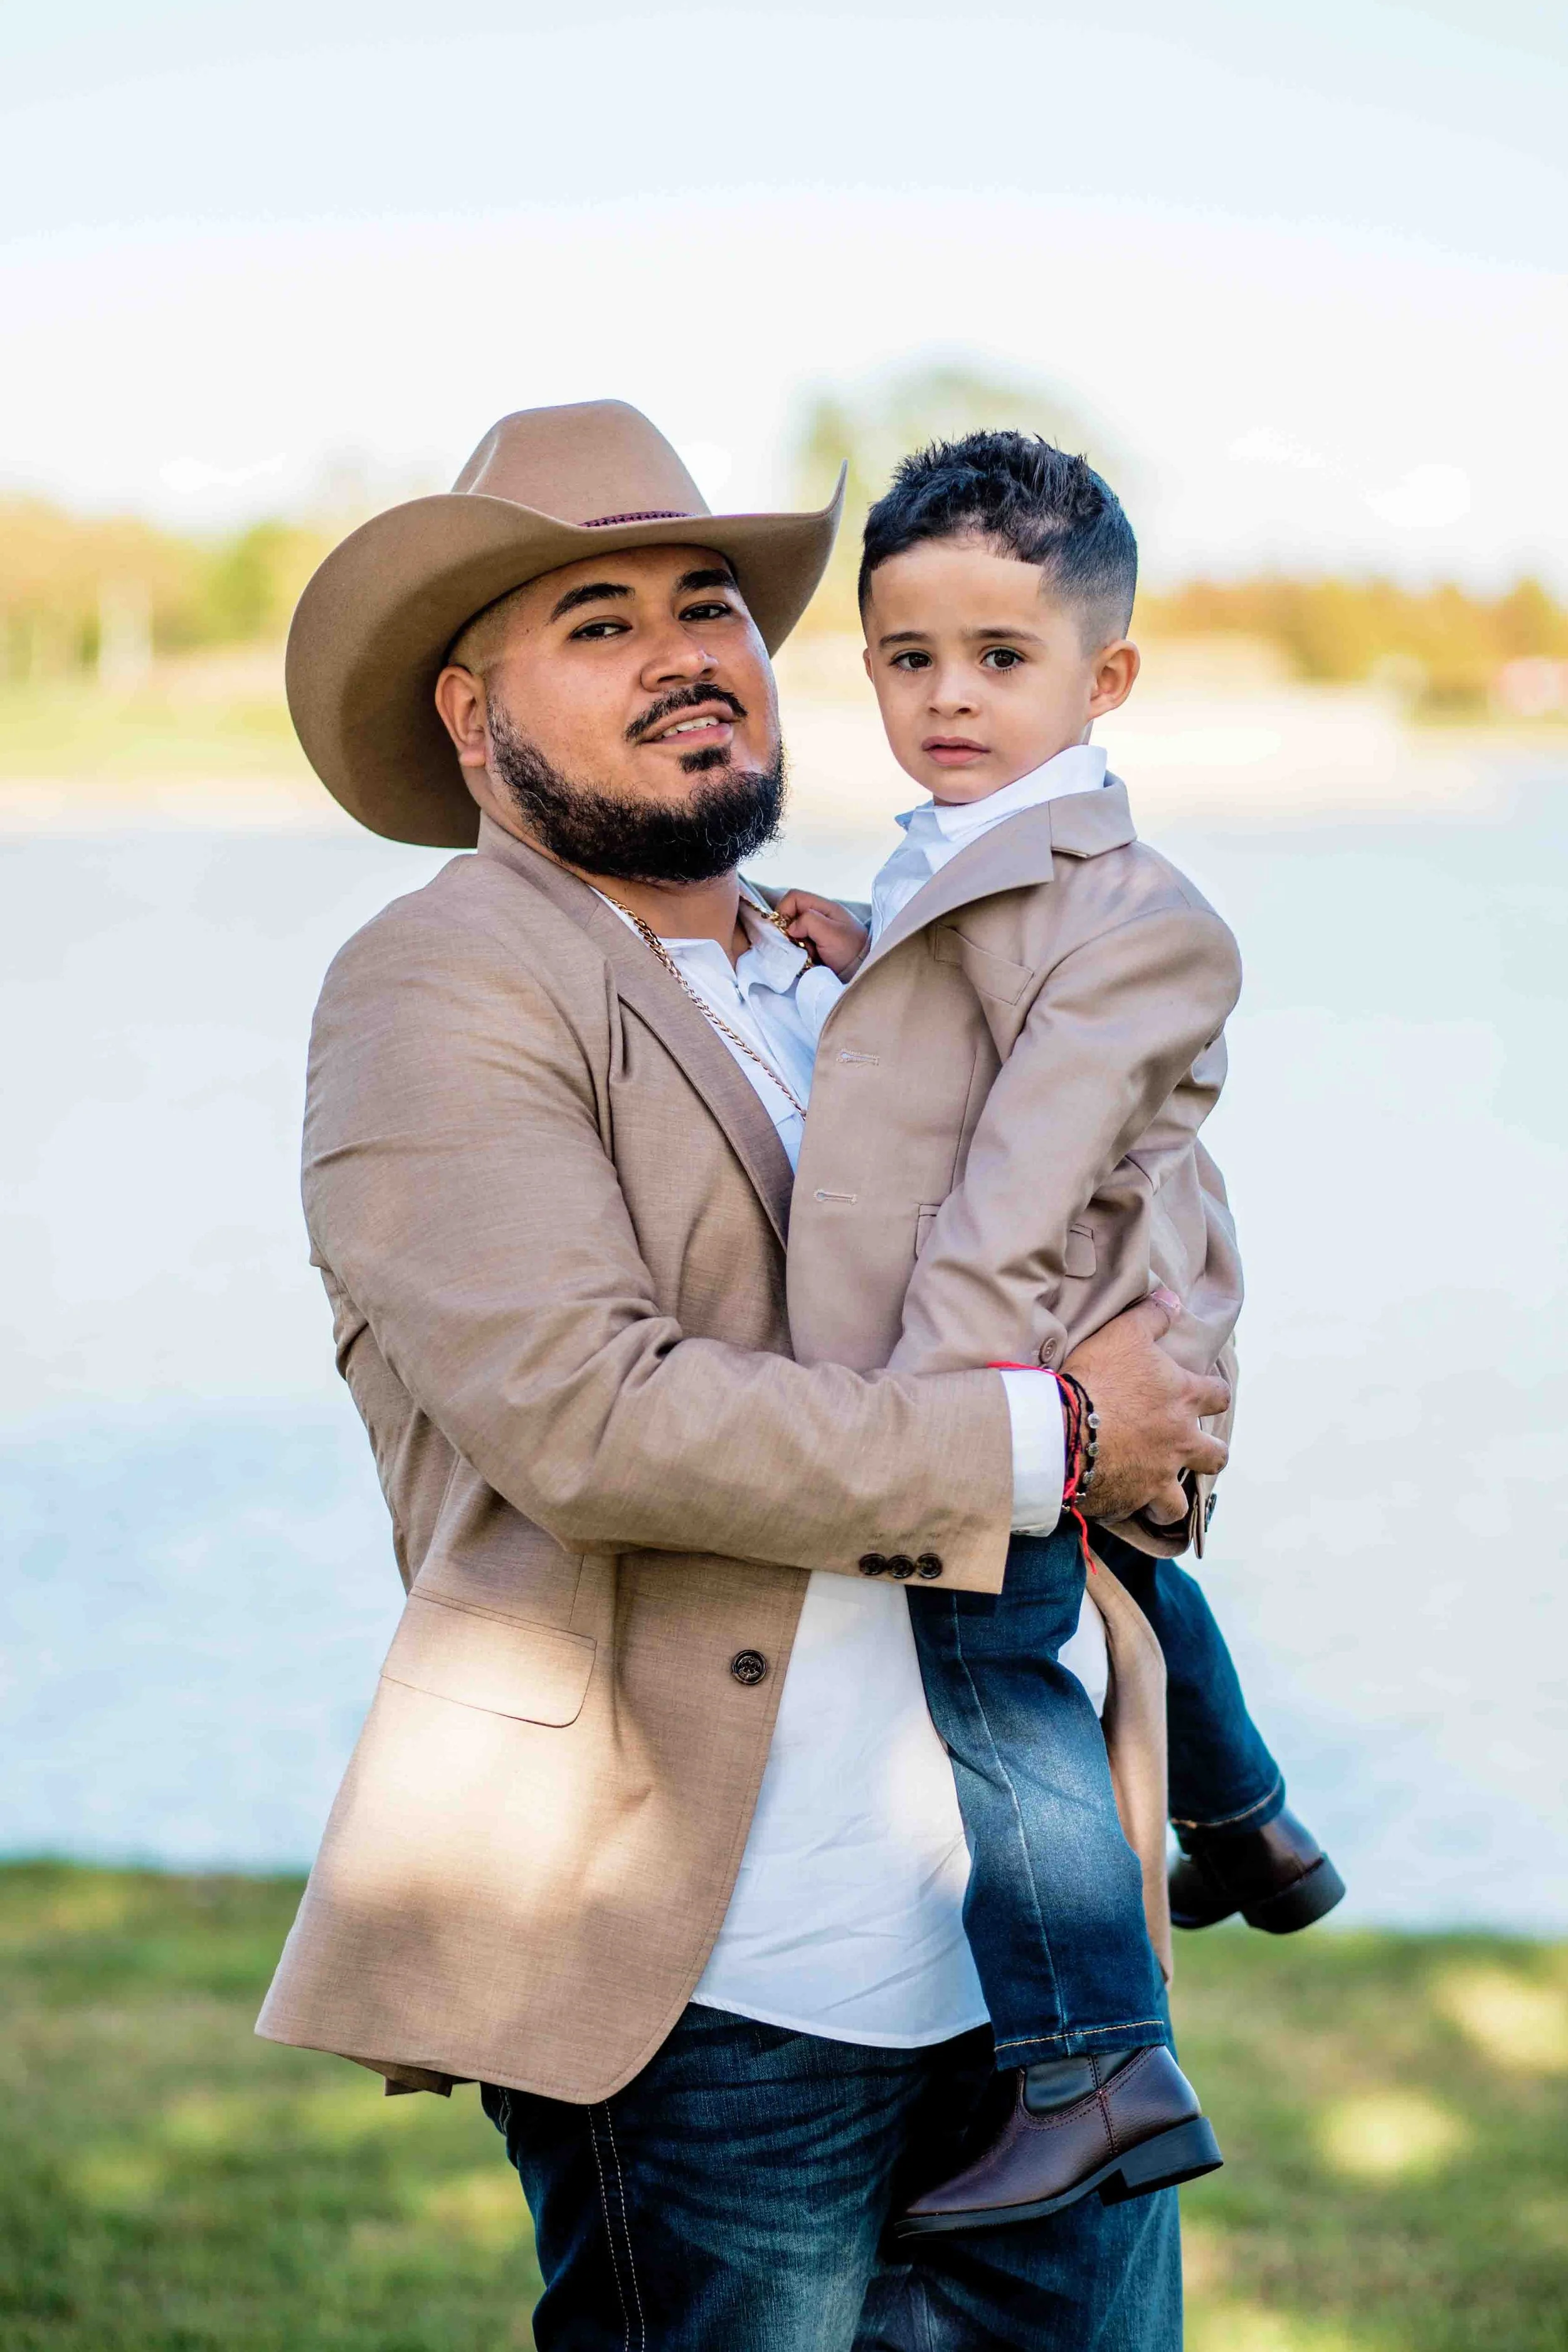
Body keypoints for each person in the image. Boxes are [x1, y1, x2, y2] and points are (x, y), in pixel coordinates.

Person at [259, 399, 1232, 2351]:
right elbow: (592, 1421)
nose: (687, 649)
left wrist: (1154, 1409)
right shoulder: (439, 981)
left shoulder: (880, 959)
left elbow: (1140, 1246)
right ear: (473, 718)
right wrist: (1047, 1434)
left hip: (1033, 1979)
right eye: (597, 620)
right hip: (711, 1991)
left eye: (705, 603)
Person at [773, 430, 1344, 2235]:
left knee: (999, 1650)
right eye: (905, 656)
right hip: (1042, 1330)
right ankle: (1249, 1819)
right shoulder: (969, 849)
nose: (947, 695)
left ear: (1101, 678)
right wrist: (853, 935)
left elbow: (1016, 1188)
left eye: (999, 659)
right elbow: (963, 997)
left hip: (1052, 1327)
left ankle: (1098, 2057)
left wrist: (930, 1439)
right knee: (1120, 1580)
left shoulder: (1141, 911)